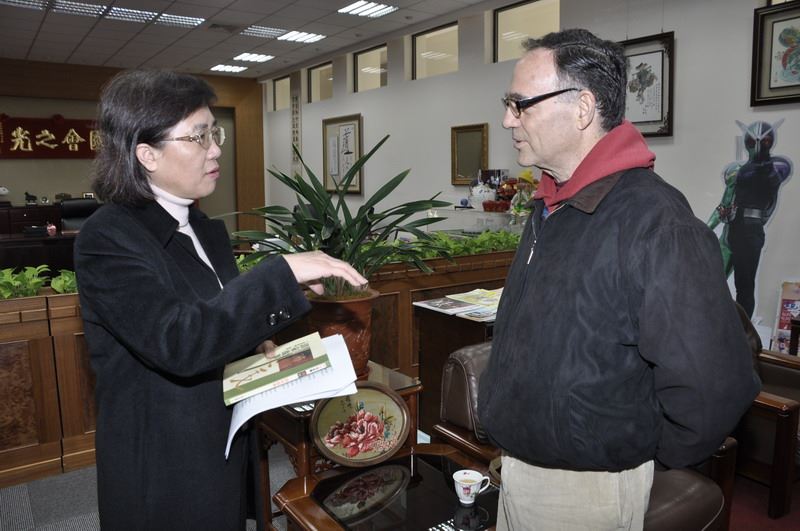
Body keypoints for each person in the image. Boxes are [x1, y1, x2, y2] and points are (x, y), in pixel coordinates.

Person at [477, 29, 760, 530]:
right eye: (508, 104)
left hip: (586, 491)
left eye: (521, 105)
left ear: (583, 108)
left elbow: (715, 383)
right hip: (522, 469)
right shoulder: (552, 204)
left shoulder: (656, 222)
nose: (508, 120)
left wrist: (644, 453)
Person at [75, 70, 367, 530]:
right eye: (198, 137)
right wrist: (282, 272)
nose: (214, 150)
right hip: (165, 463)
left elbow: (215, 317)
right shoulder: (107, 238)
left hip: (222, 441)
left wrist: (254, 344)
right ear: (147, 154)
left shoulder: (205, 229)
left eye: (215, 133)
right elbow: (180, 341)